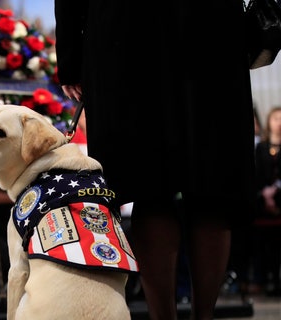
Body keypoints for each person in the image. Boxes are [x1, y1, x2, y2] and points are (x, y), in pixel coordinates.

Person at [54, 1, 255, 319]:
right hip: (209, 28)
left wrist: (70, 56)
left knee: (148, 185)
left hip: (125, 32)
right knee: (209, 183)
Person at [252, 106, 281, 296]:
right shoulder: (260, 147)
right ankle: (262, 279)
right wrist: (265, 193)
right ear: (269, 122)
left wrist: (276, 189)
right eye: (275, 119)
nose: (279, 123)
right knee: (262, 243)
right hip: (262, 201)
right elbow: (256, 173)